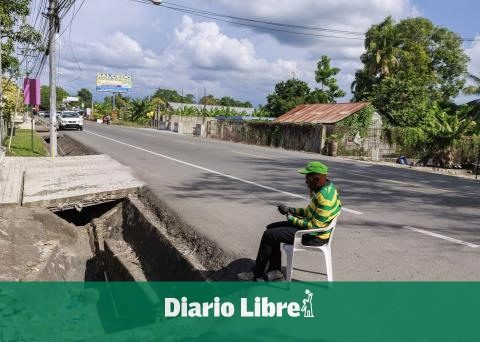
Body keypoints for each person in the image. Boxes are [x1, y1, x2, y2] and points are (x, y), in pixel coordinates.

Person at [238, 161, 341, 281]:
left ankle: (257, 272)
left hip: (315, 236)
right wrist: (290, 210)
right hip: (313, 230)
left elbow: (314, 225)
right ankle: (275, 270)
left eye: (308, 178)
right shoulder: (325, 188)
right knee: (270, 228)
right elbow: (308, 212)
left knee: (269, 235)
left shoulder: (325, 197)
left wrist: (291, 218)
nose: (306, 182)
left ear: (316, 178)